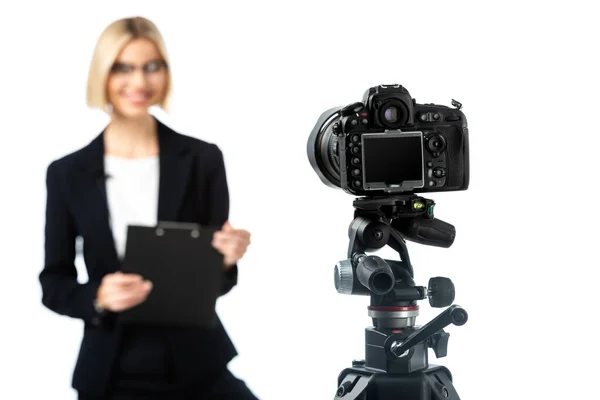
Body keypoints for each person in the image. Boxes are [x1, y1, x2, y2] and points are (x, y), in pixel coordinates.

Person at [38, 16, 258, 399]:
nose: (139, 82)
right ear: (102, 74)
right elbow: (53, 283)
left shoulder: (202, 159)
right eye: (123, 67)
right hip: (111, 369)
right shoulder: (67, 173)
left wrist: (223, 260)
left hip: (197, 365)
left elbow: (219, 284)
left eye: (151, 67)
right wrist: (98, 297)